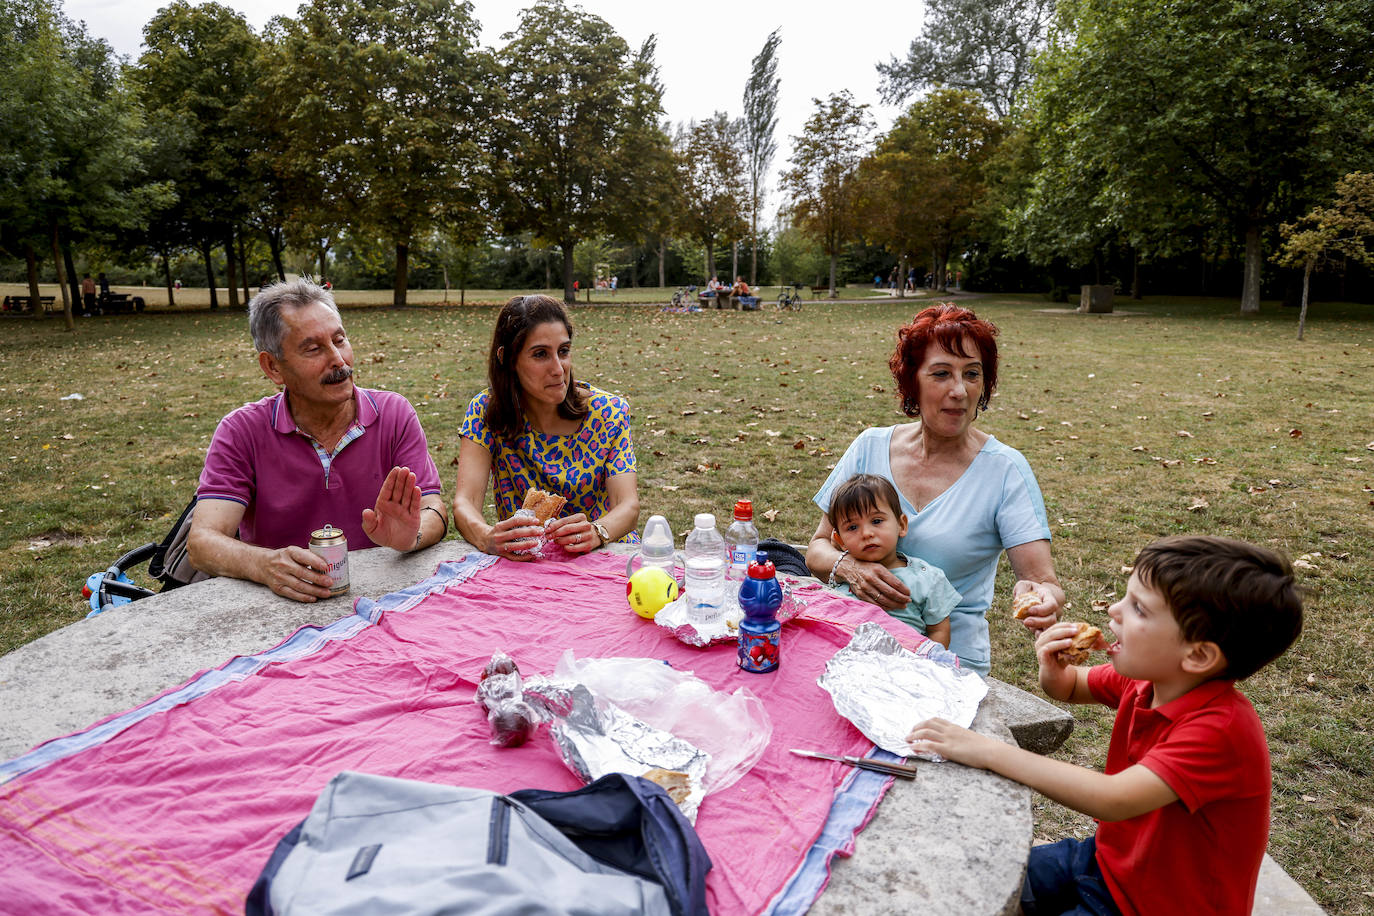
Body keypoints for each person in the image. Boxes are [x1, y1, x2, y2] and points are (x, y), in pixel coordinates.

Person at [908, 536, 1303, 916]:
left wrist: (988, 750)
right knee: (981, 879)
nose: (1114, 610)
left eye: (1139, 609)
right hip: (1105, 861)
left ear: (1198, 655)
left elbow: (1112, 798)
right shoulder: (1149, 679)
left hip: (1158, 905)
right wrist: (1053, 665)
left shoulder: (1220, 731)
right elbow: (1069, 686)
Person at [807, 303, 1063, 674]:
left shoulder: (1005, 470)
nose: (959, 390)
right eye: (941, 373)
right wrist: (850, 568)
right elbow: (817, 548)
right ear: (913, 381)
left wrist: (1041, 598)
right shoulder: (869, 447)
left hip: (948, 663)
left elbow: (1041, 580)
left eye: (972, 374)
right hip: (852, 646)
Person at [189, 278, 447, 602]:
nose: (339, 360)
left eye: (340, 340)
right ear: (273, 367)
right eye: (314, 349)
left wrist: (412, 535)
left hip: (381, 600)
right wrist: (265, 565)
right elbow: (202, 543)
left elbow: (433, 507)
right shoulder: (241, 431)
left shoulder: (394, 414)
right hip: (282, 608)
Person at [453, 294, 641, 560]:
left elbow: (628, 506)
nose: (558, 368)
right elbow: (465, 503)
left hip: (605, 555)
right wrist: (486, 537)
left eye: (563, 351)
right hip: (525, 562)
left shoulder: (608, 413)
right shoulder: (486, 412)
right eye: (540, 354)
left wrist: (598, 532)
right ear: (507, 358)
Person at [825, 474, 956, 647]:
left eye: (877, 521)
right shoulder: (841, 577)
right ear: (840, 540)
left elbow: (938, 630)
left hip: (905, 666)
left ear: (901, 525)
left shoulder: (927, 578)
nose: (866, 533)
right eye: (853, 527)